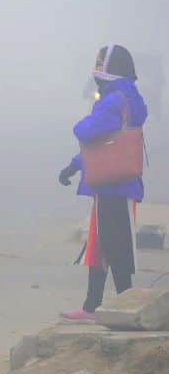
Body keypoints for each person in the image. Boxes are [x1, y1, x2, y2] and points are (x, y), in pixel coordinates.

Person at [58, 44, 147, 321]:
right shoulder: (128, 97)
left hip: (112, 186)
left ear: (112, 66)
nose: (96, 67)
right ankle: (92, 305)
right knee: (100, 245)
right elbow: (103, 146)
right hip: (117, 184)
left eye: (100, 62)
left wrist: (81, 123)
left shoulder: (112, 100)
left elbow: (87, 132)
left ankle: (125, 306)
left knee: (114, 246)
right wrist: (74, 165)